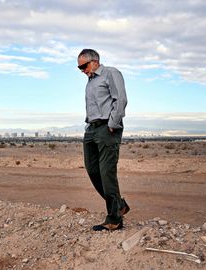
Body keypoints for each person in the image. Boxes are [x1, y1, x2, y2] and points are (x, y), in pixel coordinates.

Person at [77, 49, 130, 231]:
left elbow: (120, 99)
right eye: (79, 67)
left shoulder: (110, 73)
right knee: (93, 170)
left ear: (95, 61)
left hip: (107, 127)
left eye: (84, 65)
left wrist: (112, 124)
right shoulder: (90, 82)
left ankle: (114, 219)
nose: (82, 70)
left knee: (107, 173)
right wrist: (88, 126)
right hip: (92, 129)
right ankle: (120, 205)